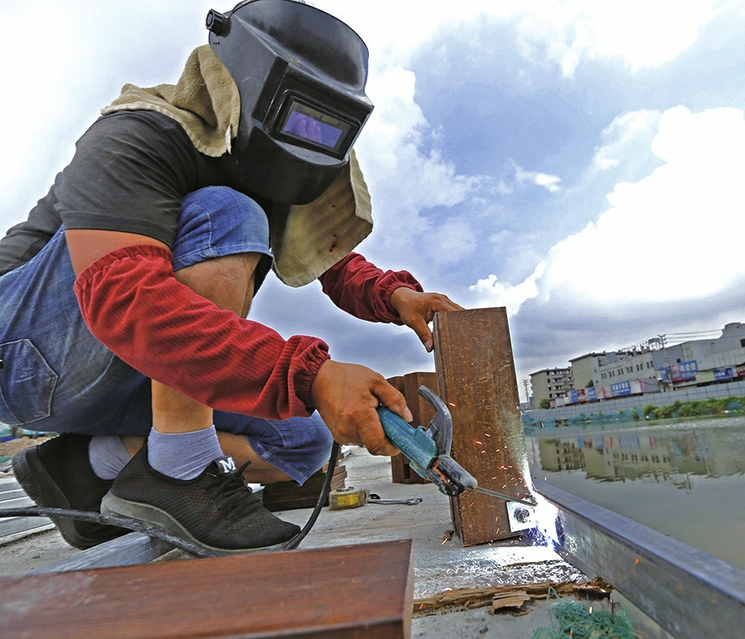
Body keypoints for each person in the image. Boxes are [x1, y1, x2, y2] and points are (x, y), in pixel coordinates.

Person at [0, 0, 461, 555]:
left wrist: (396, 296)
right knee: (230, 213)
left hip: (116, 375)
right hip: (23, 358)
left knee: (302, 440)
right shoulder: (139, 135)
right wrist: (310, 376)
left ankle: (88, 464)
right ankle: (179, 467)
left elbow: (328, 259)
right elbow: (125, 299)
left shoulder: (267, 175)